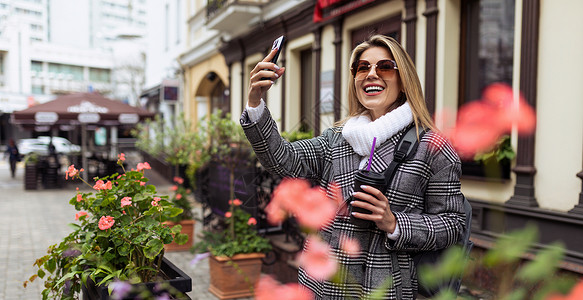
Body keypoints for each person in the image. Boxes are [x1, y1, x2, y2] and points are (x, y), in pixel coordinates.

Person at [240, 35, 465, 299]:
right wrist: (255, 102)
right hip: (324, 281)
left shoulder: (433, 146)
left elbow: (452, 224)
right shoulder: (337, 137)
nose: (371, 74)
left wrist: (394, 223)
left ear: (404, 81)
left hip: (386, 286)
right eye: (362, 67)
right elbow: (283, 160)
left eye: (384, 66)